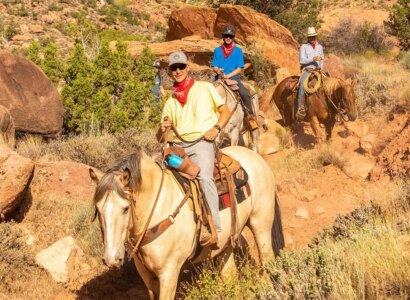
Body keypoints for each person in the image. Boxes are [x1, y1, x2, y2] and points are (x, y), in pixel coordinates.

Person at [156, 51, 231, 246]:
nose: (178, 71)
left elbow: (225, 111)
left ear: (188, 68)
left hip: (202, 143)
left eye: (181, 67)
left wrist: (216, 129)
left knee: (204, 177)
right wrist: (162, 129)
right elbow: (160, 137)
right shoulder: (170, 102)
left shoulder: (204, 88)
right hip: (179, 146)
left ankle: (215, 227)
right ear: (170, 71)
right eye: (174, 68)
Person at [211, 24, 256, 124]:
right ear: (223, 36)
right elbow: (214, 66)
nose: (228, 38)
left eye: (230, 36)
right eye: (226, 36)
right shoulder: (217, 50)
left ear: (233, 37)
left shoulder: (238, 51)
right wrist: (218, 71)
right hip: (219, 78)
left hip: (233, 77)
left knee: (244, 94)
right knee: (207, 94)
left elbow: (239, 68)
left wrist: (228, 75)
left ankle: (250, 117)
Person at [296, 26, 324, 120]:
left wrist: (321, 66)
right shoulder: (303, 47)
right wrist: (313, 59)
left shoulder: (320, 47)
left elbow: (322, 58)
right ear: (308, 38)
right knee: (302, 86)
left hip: (318, 71)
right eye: (310, 37)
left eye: (314, 37)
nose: (312, 39)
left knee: (329, 84)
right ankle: (300, 108)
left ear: (316, 37)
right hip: (307, 70)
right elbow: (302, 61)